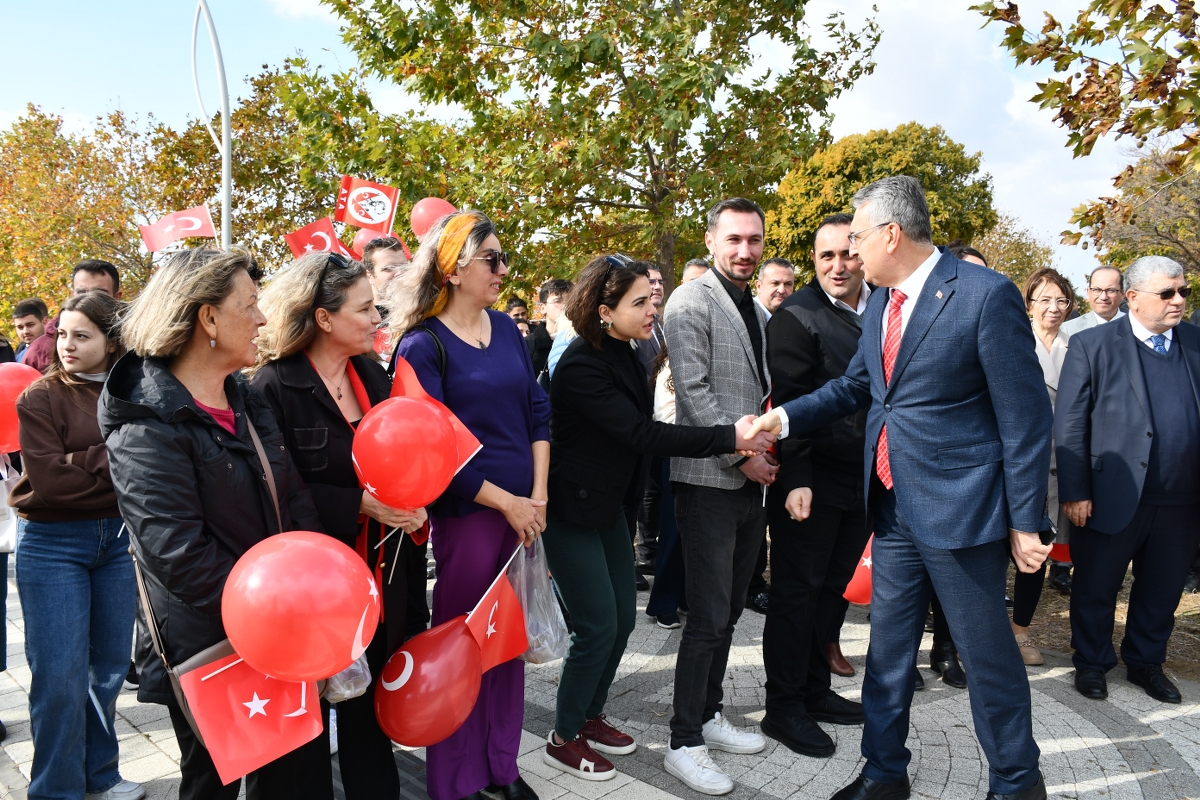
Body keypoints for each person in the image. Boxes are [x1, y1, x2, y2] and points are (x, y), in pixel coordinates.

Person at [746, 176, 1052, 800]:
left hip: (961, 511)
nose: (851, 252)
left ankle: (1018, 783)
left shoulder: (983, 297)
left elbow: (1025, 421)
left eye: (856, 237)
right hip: (890, 509)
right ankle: (885, 773)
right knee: (886, 656)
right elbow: (857, 387)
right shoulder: (884, 303)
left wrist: (1025, 520)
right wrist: (784, 418)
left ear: (892, 233)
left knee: (986, 658)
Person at [99, 249, 329, 799]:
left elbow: (293, 497)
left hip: (279, 631)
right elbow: (176, 552)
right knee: (212, 783)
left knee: (297, 777)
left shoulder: (243, 398)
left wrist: (308, 590)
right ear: (206, 318)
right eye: (249, 305)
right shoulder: (144, 421)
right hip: (211, 644)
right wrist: (272, 614)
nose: (263, 318)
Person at [540, 255, 773, 780]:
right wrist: (728, 437)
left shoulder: (628, 350)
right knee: (598, 624)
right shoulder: (581, 363)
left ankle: (590, 716)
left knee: (623, 620)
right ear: (604, 311)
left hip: (609, 510)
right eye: (640, 302)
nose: (653, 310)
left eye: (653, 298)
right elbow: (643, 435)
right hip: (572, 511)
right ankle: (562, 734)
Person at [251, 252, 427, 798]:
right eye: (365, 308)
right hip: (313, 585)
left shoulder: (374, 374)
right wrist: (360, 505)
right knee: (306, 722)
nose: (377, 319)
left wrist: (416, 500)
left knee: (370, 708)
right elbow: (274, 489)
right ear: (323, 318)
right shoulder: (271, 387)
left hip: (383, 568)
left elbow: (403, 454)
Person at [389, 210, 549, 800]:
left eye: (504, 258)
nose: (503, 270)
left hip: (522, 514)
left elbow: (537, 411)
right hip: (469, 517)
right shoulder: (421, 346)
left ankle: (500, 769)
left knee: (505, 646)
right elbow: (429, 452)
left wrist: (538, 496)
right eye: (493, 259)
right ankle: (455, 782)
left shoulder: (509, 331)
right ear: (454, 269)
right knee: (460, 651)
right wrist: (507, 502)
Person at [660, 197, 774, 795]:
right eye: (734, 240)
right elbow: (695, 392)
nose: (745, 251)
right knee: (705, 617)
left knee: (728, 611)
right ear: (711, 241)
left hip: (749, 483)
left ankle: (707, 712)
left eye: (753, 240)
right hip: (709, 479)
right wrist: (742, 455)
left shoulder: (752, 305)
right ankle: (683, 740)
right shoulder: (688, 301)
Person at [10, 291, 143, 800]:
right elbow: (50, 482)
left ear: (111, 342)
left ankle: (101, 774)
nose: (65, 344)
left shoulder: (134, 391)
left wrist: (85, 461)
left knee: (107, 669)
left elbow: (147, 470)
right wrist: (117, 455)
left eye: (81, 335)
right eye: (60, 333)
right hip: (51, 542)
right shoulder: (39, 397)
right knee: (58, 678)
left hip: (115, 540)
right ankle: (54, 790)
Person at [1056, 255, 1200, 706]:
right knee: (1097, 586)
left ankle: (1145, 663)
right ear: (1133, 298)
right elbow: (1071, 424)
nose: (1178, 301)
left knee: (1161, 590)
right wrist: (1076, 491)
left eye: (1183, 292)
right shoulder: (1094, 346)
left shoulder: (1196, 343)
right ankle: (1092, 663)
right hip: (1111, 497)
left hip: (1181, 501)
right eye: (1168, 293)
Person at [760, 213, 874, 759]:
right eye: (825, 255)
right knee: (795, 593)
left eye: (848, 253)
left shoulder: (882, 306)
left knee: (832, 590)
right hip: (813, 479)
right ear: (813, 259)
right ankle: (783, 707)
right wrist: (796, 479)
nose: (837, 265)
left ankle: (814, 691)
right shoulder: (796, 316)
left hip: (866, 477)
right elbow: (790, 405)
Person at [1010, 268, 1075, 667]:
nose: (1053, 308)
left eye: (1061, 300)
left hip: (1059, 469)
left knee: (1037, 554)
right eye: (1044, 300)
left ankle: (1020, 631)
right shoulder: (1013, 342)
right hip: (1018, 466)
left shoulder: (1079, 347)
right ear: (1029, 304)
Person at [644, 260, 712, 629]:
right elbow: (665, 410)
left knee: (690, 532)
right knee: (673, 530)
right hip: (676, 448)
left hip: (698, 447)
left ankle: (684, 596)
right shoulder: (674, 348)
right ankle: (663, 603)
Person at [744, 256, 798, 615]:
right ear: (759, 285)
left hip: (785, 437)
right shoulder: (751, 322)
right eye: (774, 283)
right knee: (752, 524)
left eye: (788, 284)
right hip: (749, 440)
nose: (781, 290)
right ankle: (752, 586)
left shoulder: (792, 322)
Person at [633, 266, 667, 585]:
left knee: (655, 487)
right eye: (651, 281)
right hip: (640, 419)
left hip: (660, 418)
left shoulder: (661, 325)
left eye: (660, 281)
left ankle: (650, 549)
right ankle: (643, 551)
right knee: (645, 489)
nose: (657, 286)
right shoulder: (636, 329)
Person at [25, 260, 122, 372]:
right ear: (72, 295)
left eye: (99, 294)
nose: (87, 299)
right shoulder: (40, 349)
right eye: (81, 292)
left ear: (116, 298)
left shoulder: (136, 344)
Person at [1060, 266, 1125, 341]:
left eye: (1110, 290)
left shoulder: (1136, 325)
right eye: (1097, 290)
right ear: (1088, 292)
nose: (1103, 297)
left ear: (1123, 294)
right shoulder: (1068, 330)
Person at [528, 279, 573, 377]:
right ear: (543, 308)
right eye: (558, 301)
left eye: (570, 301)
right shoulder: (528, 344)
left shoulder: (581, 341)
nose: (565, 306)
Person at [361, 235, 411, 309]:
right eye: (389, 268)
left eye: (403, 267)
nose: (400, 273)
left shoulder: (424, 311)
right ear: (369, 276)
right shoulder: (360, 318)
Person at [12, 297, 48, 362]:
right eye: (20, 327)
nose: (25, 331)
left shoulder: (55, 349)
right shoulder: (20, 355)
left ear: (44, 322)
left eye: (30, 325)